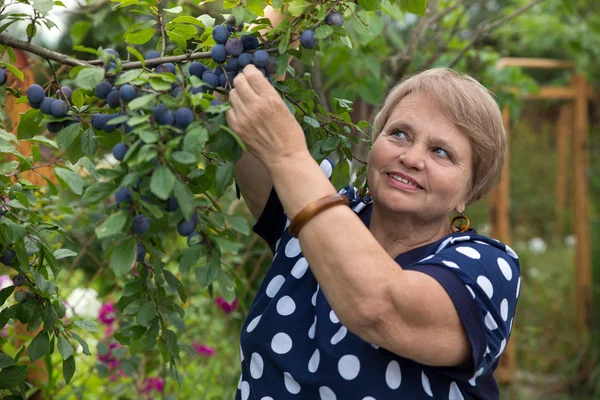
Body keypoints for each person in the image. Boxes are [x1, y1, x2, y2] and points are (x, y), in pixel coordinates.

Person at [226, 10, 520, 400]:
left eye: (441, 152)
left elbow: (380, 308)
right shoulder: (326, 209)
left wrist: (289, 153)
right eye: (399, 134)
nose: (412, 158)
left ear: (470, 188)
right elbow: (240, 120)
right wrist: (273, 33)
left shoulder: (485, 268)